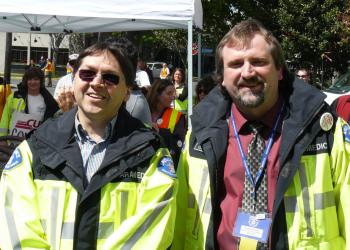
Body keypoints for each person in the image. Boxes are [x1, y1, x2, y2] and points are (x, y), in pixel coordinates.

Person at [173, 18, 350, 249]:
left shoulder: (323, 131)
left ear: (279, 71)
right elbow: (179, 223)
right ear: (222, 79)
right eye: (235, 64)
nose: (247, 72)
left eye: (258, 62)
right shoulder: (198, 135)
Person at [0, 41, 177, 249]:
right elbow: (15, 228)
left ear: (127, 92)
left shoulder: (152, 153)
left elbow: (151, 236)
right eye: (87, 74)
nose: (96, 83)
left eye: (110, 78)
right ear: (74, 80)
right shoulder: (36, 146)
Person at [0, 67, 58, 139]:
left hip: (37, 143)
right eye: (30, 79)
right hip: (14, 141)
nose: (33, 82)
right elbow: (5, 120)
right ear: (26, 81)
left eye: (36, 79)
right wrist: (2, 139)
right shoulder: (13, 97)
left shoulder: (49, 101)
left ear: (41, 81)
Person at [147, 79, 186, 166]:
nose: (173, 97)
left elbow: (179, 144)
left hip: (166, 164)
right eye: (169, 93)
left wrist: (159, 132)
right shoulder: (143, 110)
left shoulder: (177, 116)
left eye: (173, 93)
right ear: (157, 94)